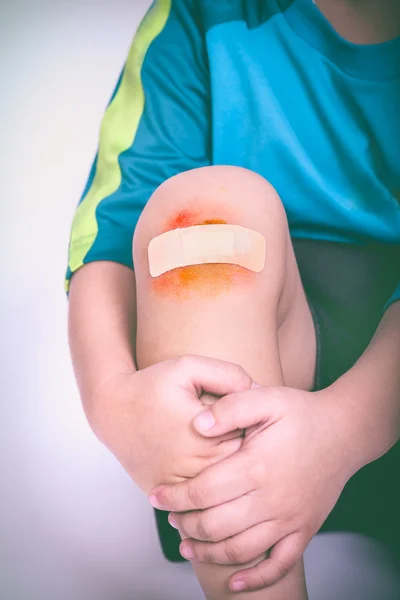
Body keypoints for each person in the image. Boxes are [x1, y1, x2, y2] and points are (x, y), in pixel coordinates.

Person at [65, 1, 400, 598]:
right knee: (201, 217)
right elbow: (112, 237)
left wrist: (347, 427)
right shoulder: (199, 13)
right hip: (259, 373)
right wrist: (111, 400)